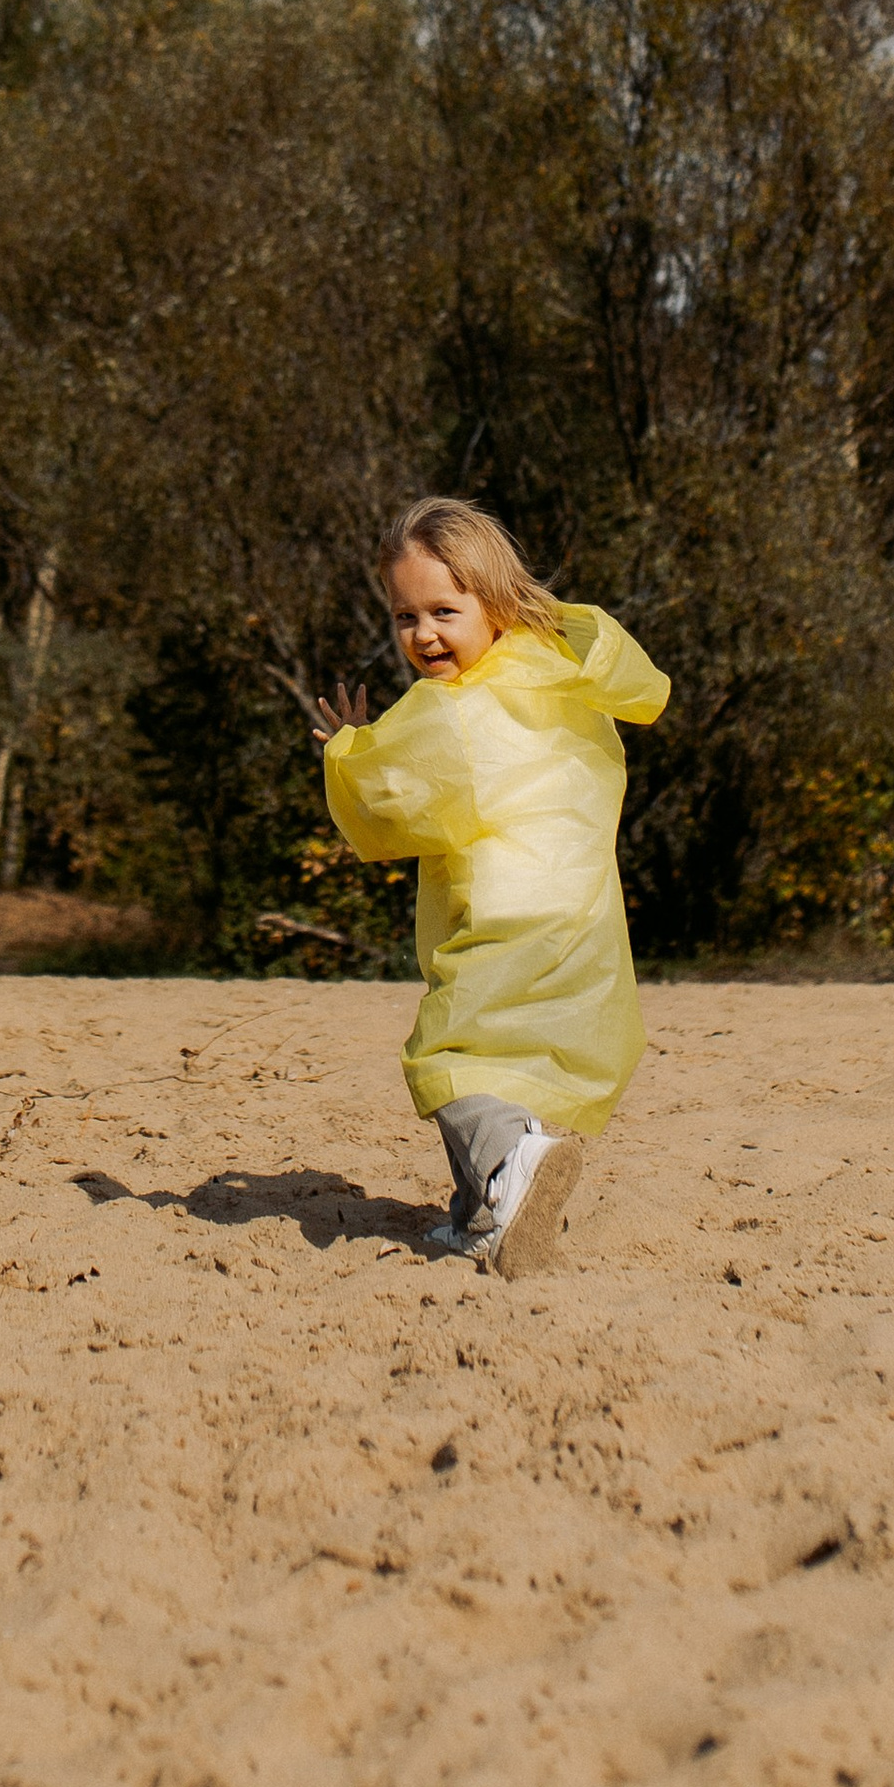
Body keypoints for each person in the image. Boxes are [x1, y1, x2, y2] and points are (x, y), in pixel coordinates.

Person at [309, 496, 669, 1277]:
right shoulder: (559, 669)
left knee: (450, 1053)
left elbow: (386, 802)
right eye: (405, 617)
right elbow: (638, 684)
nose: (424, 635)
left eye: (443, 609)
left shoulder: (458, 710)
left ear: (494, 601)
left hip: (505, 910)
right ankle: (482, 1216)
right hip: (580, 911)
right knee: (522, 1054)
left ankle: (512, 1169)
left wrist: (345, 749)